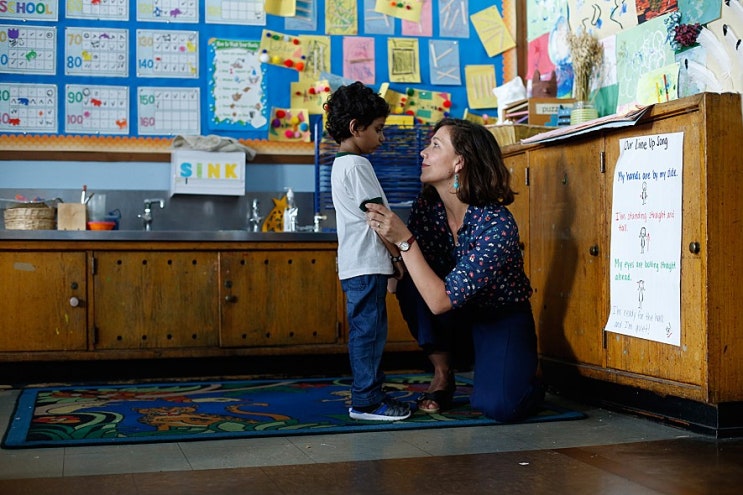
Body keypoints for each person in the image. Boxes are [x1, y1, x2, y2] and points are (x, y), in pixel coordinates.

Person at [364, 118, 544, 422]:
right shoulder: (429, 207)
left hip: (498, 317)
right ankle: (443, 374)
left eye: (435, 145)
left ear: (459, 162)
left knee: (500, 407)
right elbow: (410, 277)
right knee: (410, 278)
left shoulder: (497, 225)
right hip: (454, 320)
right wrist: (390, 249)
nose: (423, 152)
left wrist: (404, 240)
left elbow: (439, 300)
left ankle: (525, 374)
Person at [324, 81, 411, 422]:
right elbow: (379, 218)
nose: (382, 137)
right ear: (355, 128)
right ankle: (367, 401)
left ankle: (369, 390)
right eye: (378, 130)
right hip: (367, 263)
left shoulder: (342, 163)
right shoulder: (357, 166)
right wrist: (397, 256)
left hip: (357, 263)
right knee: (369, 333)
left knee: (367, 330)